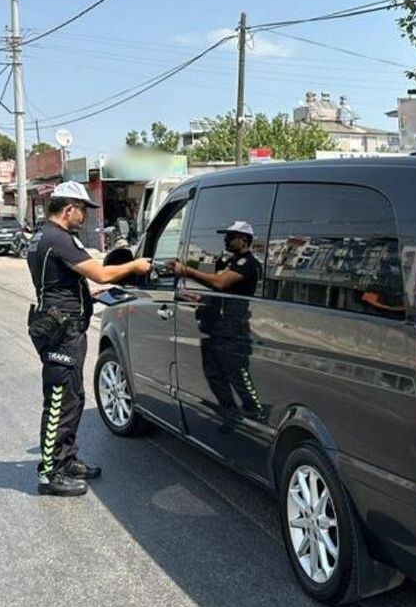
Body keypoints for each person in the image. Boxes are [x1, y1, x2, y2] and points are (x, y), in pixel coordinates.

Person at [26, 181, 153, 497]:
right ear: (69, 209)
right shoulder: (59, 238)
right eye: (82, 210)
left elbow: (59, 283)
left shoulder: (42, 236)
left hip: (60, 325)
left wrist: (87, 294)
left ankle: (66, 460)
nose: (84, 216)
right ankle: (50, 474)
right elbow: (102, 273)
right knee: (60, 401)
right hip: (62, 333)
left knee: (73, 399)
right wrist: (135, 265)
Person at [169, 220, 264, 424]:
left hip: (233, 328)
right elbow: (221, 292)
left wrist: (186, 270)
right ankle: (229, 412)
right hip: (216, 327)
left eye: (231, 237)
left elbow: (220, 283)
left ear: (244, 240)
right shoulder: (229, 262)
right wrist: (199, 298)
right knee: (213, 372)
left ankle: (255, 410)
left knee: (237, 372)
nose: (225, 240)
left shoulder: (248, 264)